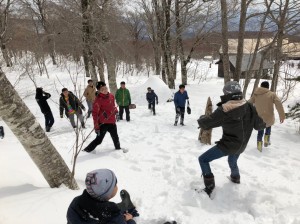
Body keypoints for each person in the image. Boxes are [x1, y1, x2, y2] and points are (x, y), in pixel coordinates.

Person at [197, 81, 265, 197]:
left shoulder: (225, 109)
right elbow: (259, 125)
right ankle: (235, 178)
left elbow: (207, 124)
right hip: (242, 145)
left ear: (227, 93)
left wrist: (201, 119)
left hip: (228, 145)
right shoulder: (249, 106)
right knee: (232, 160)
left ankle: (209, 187)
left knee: (203, 159)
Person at [67, 169, 136, 224]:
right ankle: (128, 207)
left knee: (105, 209)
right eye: (115, 184)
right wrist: (130, 221)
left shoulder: (76, 203)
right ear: (108, 194)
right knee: (110, 210)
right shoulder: (113, 218)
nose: (116, 186)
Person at [83, 81, 121, 152]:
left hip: (112, 122)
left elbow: (113, 106)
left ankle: (118, 149)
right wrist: (96, 127)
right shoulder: (98, 100)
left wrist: (116, 113)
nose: (105, 90)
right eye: (102, 89)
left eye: (105, 88)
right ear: (99, 91)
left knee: (115, 137)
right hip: (103, 124)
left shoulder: (111, 96)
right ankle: (86, 150)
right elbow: (95, 114)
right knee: (99, 140)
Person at [248, 81, 285, 151]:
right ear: (268, 87)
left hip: (259, 117)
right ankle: (266, 141)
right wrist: (282, 116)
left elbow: (249, 103)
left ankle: (259, 147)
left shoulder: (256, 94)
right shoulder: (272, 94)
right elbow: (279, 104)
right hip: (268, 116)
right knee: (268, 127)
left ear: (261, 86)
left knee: (260, 131)